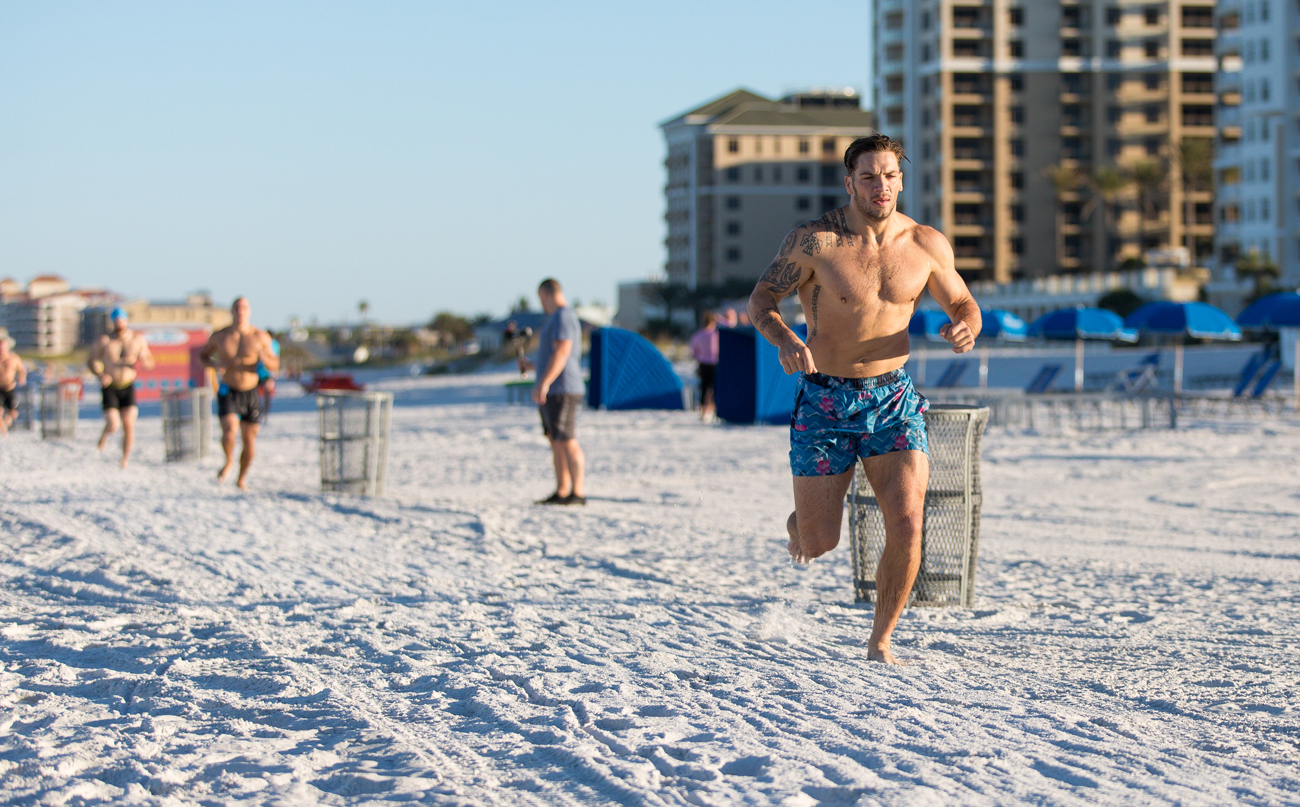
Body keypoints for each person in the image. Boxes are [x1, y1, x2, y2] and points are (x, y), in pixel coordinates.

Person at [747, 133, 980, 665]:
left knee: (906, 522)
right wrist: (784, 337)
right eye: (870, 176)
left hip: (892, 397)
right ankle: (799, 523)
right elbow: (762, 298)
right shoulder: (815, 242)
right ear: (849, 182)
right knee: (819, 541)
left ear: (901, 178)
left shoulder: (926, 243)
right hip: (824, 398)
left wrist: (967, 324)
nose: (881, 186)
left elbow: (964, 300)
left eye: (890, 175)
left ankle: (880, 642)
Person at [517, 278, 586, 505]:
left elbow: (562, 353)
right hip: (555, 388)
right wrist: (532, 366)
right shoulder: (556, 318)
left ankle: (578, 492)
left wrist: (544, 382)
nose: (541, 304)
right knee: (555, 440)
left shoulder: (564, 316)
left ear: (546, 294)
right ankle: (562, 490)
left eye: (541, 298)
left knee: (567, 439)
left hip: (563, 388)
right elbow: (551, 358)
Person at [200, 297, 280, 490]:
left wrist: (265, 360)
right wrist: (215, 364)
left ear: (249, 311)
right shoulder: (220, 336)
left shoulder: (260, 337)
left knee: (249, 440)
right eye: (237, 308)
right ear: (232, 311)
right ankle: (228, 461)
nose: (241, 311)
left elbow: (275, 364)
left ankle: (241, 477)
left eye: (244, 308)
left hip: (251, 391)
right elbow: (203, 357)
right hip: (228, 390)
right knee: (229, 433)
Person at [87, 308, 155, 467]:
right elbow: (90, 361)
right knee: (114, 424)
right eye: (116, 321)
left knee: (128, 423)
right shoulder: (105, 340)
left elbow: (150, 363)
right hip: (110, 386)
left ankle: (124, 459)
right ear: (113, 322)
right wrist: (100, 375)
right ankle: (106, 433)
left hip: (128, 386)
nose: (119, 324)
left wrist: (144, 361)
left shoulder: (137, 340)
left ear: (126, 321)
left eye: (121, 321)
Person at [689, 312, 720, 421]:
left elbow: (693, 352)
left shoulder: (698, 335)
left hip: (703, 364)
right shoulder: (717, 334)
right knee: (715, 388)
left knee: (704, 387)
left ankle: (703, 412)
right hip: (715, 363)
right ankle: (714, 410)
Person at [0, 337, 27, 435]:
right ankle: (4, 434)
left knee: (13, 413)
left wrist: (21, 378)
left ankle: (6, 423)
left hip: (9, 388)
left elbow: (22, 370)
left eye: (3, 346)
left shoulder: (13, 358)